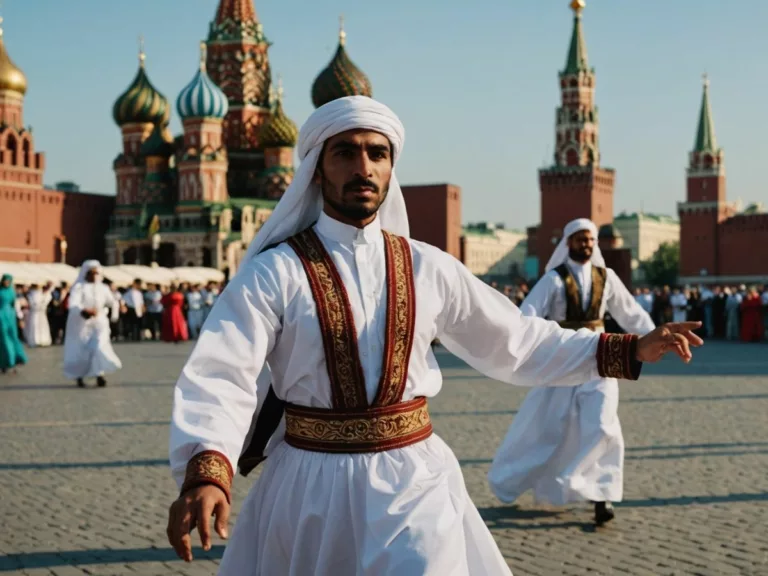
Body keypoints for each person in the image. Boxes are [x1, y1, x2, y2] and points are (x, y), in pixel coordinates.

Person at [165, 96, 701, 575]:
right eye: (345, 153)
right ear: (316, 170)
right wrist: (208, 470)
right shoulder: (273, 273)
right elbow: (222, 372)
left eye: (377, 154)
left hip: (413, 481)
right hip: (309, 486)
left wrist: (629, 347)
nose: (363, 167)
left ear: (391, 167)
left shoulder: (428, 268)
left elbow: (515, 342)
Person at [487, 218, 656, 526]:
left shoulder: (607, 277)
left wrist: (655, 335)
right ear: (568, 243)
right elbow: (527, 315)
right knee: (550, 427)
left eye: (590, 240)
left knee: (604, 424)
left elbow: (630, 312)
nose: (587, 244)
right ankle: (524, 479)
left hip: (602, 359)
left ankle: (601, 494)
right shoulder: (553, 279)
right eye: (580, 239)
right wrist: (525, 346)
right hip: (562, 361)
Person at [63, 260, 122, 387]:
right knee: (83, 351)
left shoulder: (104, 288)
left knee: (99, 346)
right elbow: (73, 304)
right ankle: (79, 375)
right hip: (83, 325)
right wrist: (83, 311)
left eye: (97, 273)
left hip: (100, 323)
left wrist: (115, 313)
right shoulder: (79, 287)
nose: (95, 275)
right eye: (92, 273)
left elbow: (113, 301)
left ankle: (99, 374)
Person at [0, 274, 27, 374]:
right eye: (5, 280)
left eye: (8, 280)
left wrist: (20, 319)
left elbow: (15, 305)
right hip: (1, 318)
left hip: (10, 318)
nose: (6, 282)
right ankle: (5, 362)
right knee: (3, 339)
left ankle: (15, 359)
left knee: (12, 337)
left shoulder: (12, 292)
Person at [23, 282, 53, 348]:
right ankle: (36, 340)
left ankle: (43, 340)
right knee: (35, 326)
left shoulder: (43, 294)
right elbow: (33, 304)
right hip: (35, 313)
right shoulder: (31, 294)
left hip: (40, 313)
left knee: (41, 326)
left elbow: (46, 301)